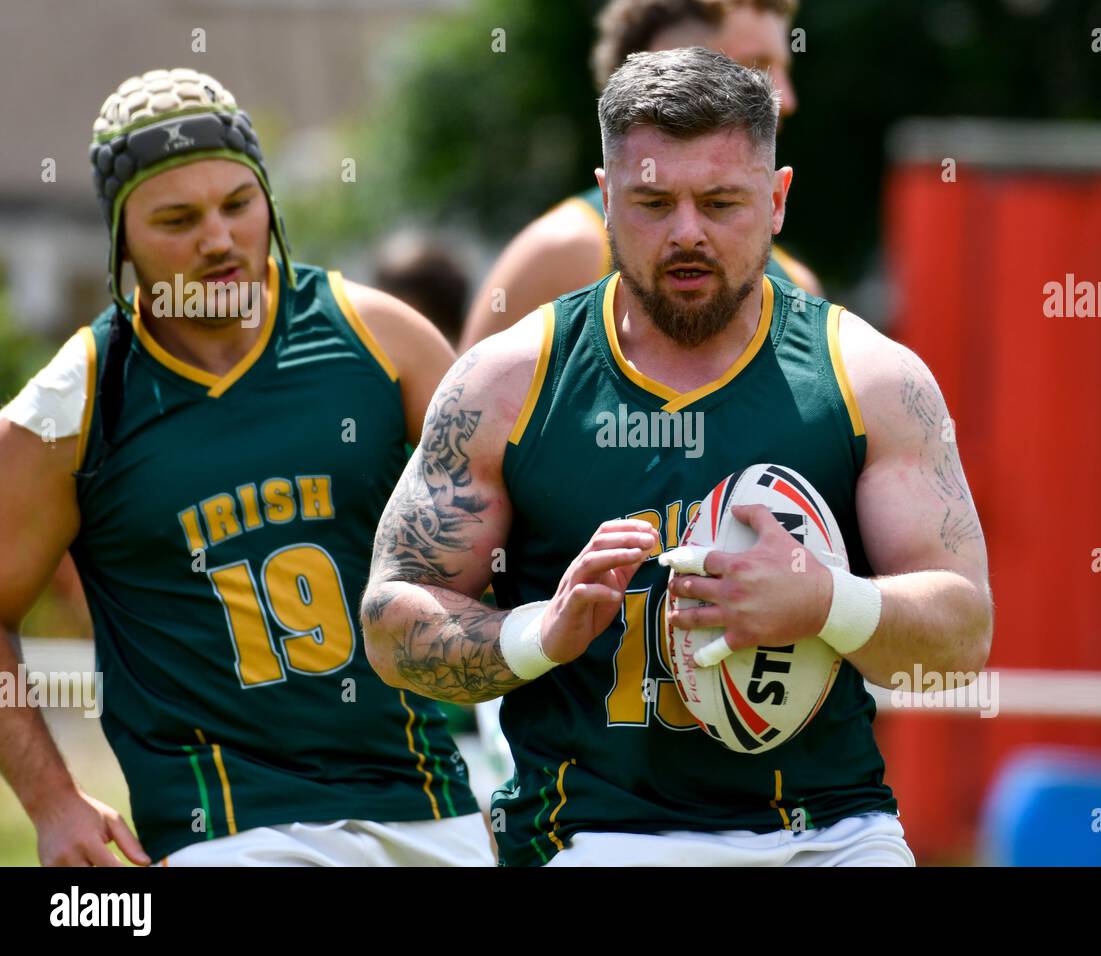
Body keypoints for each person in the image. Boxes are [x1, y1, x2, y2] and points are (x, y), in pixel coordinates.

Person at [362, 48, 992, 866]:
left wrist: (824, 601)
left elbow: (963, 635)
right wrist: (539, 633)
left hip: (826, 834)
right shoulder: (507, 383)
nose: (686, 231)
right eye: (653, 202)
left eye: (721, 201)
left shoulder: (868, 377)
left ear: (777, 200)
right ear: (606, 199)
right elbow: (390, 621)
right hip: (594, 836)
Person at [0, 68, 491, 866]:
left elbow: (517, 530)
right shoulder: (73, 407)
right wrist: (51, 801)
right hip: (231, 836)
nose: (218, 239)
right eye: (177, 218)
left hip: (426, 804)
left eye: (238, 204)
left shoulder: (381, 341)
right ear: (120, 238)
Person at [458, 0, 818, 351]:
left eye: (720, 204)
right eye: (757, 67)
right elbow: (467, 401)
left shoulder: (798, 284)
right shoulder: (565, 251)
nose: (786, 99)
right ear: (670, 63)